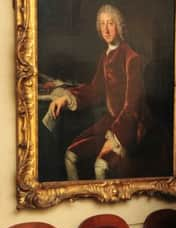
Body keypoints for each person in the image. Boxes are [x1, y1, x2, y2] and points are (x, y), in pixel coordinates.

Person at [49, 4, 151, 180]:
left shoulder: (131, 58)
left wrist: (115, 138)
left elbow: (132, 105)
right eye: (102, 24)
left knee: (100, 166)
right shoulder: (105, 57)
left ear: (119, 26)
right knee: (70, 156)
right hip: (109, 122)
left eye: (110, 23)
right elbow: (95, 90)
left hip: (130, 126)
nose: (106, 28)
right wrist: (66, 99)